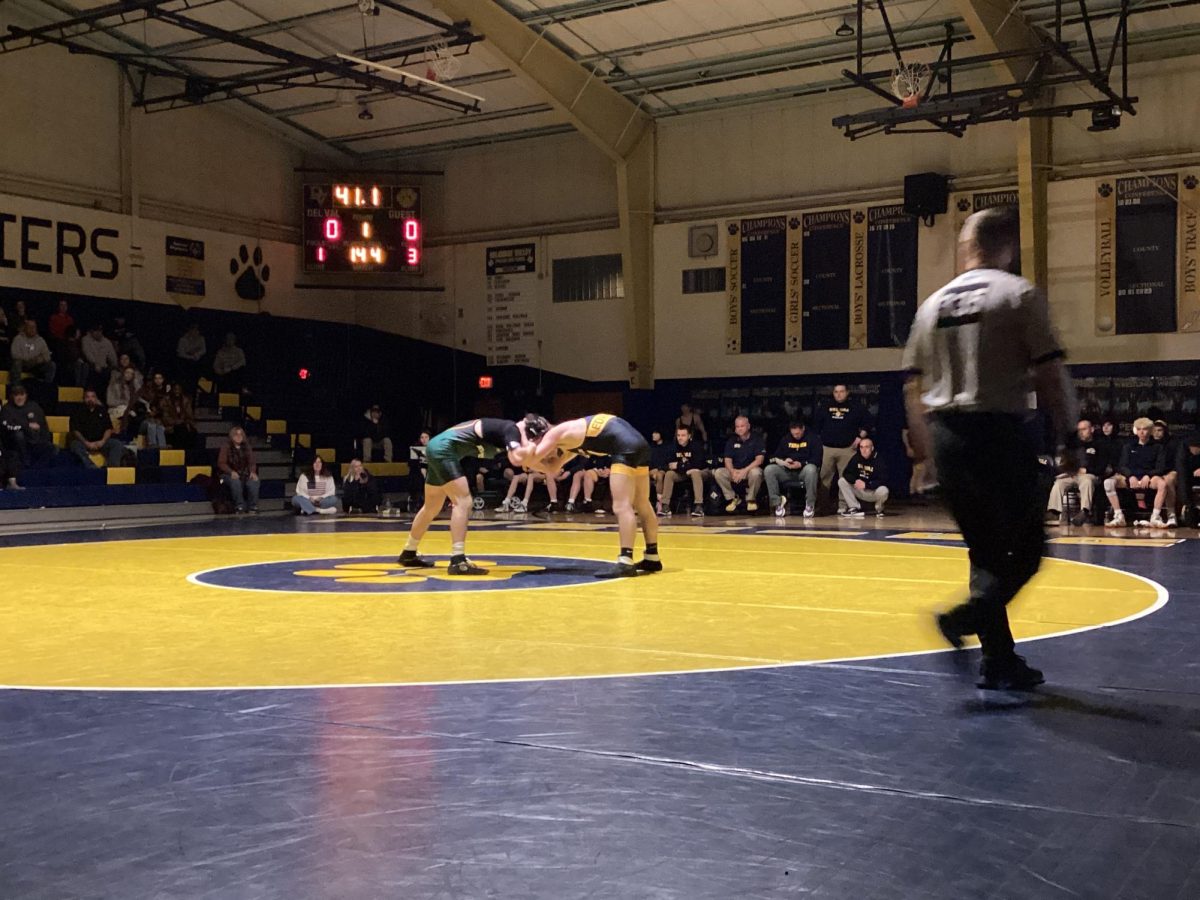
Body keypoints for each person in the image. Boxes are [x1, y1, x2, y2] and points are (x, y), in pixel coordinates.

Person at [904, 206, 1076, 692]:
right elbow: (1048, 372)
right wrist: (1069, 435)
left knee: (984, 553)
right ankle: (965, 619)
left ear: (967, 247)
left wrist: (925, 455)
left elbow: (912, 389)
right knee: (1026, 553)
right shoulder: (1017, 294)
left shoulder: (932, 304)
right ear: (1008, 247)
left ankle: (996, 658)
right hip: (999, 433)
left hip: (948, 437)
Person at [399, 415, 548, 575]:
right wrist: (549, 466)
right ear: (531, 434)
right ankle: (458, 559)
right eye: (538, 440)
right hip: (444, 450)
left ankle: (409, 551)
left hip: (439, 448)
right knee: (463, 502)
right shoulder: (512, 431)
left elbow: (524, 462)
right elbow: (520, 460)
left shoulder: (509, 434)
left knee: (432, 506)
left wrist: (547, 466)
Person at [528, 414, 660, 577]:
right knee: (641, 502)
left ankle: (626, 561)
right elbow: (553, 469)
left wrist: (515, 451)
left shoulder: (555, 433)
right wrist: (533, 462)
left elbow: (532, 456)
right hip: (639, 444)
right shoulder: (569, 440)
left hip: (625, 448)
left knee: (621, 505)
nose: (549, 455)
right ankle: (652, 556)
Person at [1102, 417, 1170, 528]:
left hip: (1149, 477)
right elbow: (1122, 466)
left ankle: (1155, 517)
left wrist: (1148, 475)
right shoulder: (1128, 446)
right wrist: (1130, 476)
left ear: (1151, 430)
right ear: (1135, 430)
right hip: (1130, 477)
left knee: (1163, 484)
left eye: (1144, 429)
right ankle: (1119, 516)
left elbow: (1160, 467)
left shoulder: (1158, 447)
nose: (1141, 432)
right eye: (1138, 429)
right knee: (1108, 483)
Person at [816, 385, 872, 512]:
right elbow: (816, 426)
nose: (838, 394)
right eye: (836, 392)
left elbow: (868, 424)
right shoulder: (825, 406)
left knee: (845, 479)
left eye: (841, 392)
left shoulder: (856, 407)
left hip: (847, 448)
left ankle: (843, 506)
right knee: (824, 477)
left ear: (847, 392)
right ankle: (822, 506)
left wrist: (859, 437)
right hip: (827, 448)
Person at [1047, 419, 1109, 526]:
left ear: (1092, 429)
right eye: (1079, 430)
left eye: (1084, 429)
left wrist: (1086, 470)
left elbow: (1102, 467)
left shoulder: (1100, 445)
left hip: (1090, 475)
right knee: (1059, 483)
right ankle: (1054, 512)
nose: (1081, 432)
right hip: (1073, 474)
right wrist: (1067, 470)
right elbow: (1066, 463)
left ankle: (1084, 511)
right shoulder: (1074, 446)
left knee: (1086, 481)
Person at [765, 420, 822, 518]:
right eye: (793, 434)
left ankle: (809, 505)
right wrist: (784, 461)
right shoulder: (786, 439)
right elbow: (776, 456)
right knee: (769, 469)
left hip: (803, 470)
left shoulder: (813, 439)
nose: (796, 436)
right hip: (787, 470)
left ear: (803, 429)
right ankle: (777, 503)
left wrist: (801, 464)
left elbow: (817, 459)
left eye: (798, 433)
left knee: (811, 469)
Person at [714, 416, 765, 513]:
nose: (740, 428)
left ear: (748, 426)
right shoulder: (731, 440)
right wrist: (732, 471)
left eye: (742, 426)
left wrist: (744, 471)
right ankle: (733, 498)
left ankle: (750, 500)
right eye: (737, 427)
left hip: (750, 470)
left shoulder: (757, 439)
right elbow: (727, 460)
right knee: (719, 472)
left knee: (756, 473)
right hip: (735, 471)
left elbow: (759, 460)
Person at [1, 384, 56, 469]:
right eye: (16, 395)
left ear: (26, 395)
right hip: (16, 444)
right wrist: (27, 425)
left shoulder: (34, 406)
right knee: (18, 435)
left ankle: (38, 468)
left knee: (53, 448)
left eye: (22, 394)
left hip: (34, 441)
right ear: (12, 396)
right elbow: (7, 427)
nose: (19, 398)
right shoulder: (6, 409)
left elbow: (42, 426)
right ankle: (24, 463)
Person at [659, 425, 710, 518]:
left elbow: (698, 464)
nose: (680, 438)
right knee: (669, 474)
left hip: (702, 471)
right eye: (678, 435)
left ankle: (699, 506)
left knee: (695, 473)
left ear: (689, 436)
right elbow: (668, 465)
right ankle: (665, 506)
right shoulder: (674, 446)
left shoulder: (696, 446)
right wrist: (685, 467)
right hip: (684, 473)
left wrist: (678, 465)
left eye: (683, 435)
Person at [69, 388, 126, 468]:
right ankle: (91, 467)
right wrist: (86, 443)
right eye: (87, 397)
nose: (90, 399)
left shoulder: (102, 410)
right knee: (75, 445)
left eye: (92, 397)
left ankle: (112, 468)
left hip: (100, 442)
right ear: (84, 399)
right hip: (84, 442)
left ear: (96, 399)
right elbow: (75, 431)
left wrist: (102, 441)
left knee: (116, 444)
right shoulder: (77, 411)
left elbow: (108, 429)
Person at [837, 436, 889, 517]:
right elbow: (846, 473)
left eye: (867, 447)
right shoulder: (856, 457)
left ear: (872, 448)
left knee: (884, 490)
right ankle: (854, 508)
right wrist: (855, 481)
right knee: (842, 481)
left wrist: (867, 484)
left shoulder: (879, 460)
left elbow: (883, 479)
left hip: (873, 491)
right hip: (860, 489)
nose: (864, 450)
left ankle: (879, 508)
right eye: (861, 447)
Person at [217, 425, 259, 513]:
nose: (239, 437)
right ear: (232, 436)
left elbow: (252, 462)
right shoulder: (226, 447)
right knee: (235, 481)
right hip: (227, 474)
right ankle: (239, 506)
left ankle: (253, 506)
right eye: (236, 434)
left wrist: (252, 472)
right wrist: (231, 472)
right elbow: (221, 463)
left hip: (244, 473)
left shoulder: (247, 447)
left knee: (254, 481)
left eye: (241, 435)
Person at [10, 319, 56, 384]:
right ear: (25, 328)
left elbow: (47, 356)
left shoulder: (40, 340)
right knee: (17, 363)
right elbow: (14, 354)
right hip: (22, 363)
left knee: (51, 365)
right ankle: (16, 386)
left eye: (34, 327)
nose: (32, 329)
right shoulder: (18, 338)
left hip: (35, 365)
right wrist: (27, 359)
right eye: (30, 327)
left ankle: (46, 387)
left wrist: (39, 359)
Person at [160, 382, 198, 450]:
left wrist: (187, 422)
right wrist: (176, 422)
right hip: (170, 425)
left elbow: (189, 415)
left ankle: (188, 454)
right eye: (175, 389)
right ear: (172, 390)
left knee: (193, 432)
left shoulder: (185, 400)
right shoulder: (165, 400)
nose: (177, 391)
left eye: (179, 389)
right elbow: (165, 416)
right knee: (180, 430)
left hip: (183, 424)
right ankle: (179, 452)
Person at [81, 323, 118, 391]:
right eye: (96, 331)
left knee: (113, 373)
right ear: (91, 331)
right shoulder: (85, 339)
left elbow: (112, 357)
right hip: (91, 365)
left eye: (100, 331)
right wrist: (95, 364)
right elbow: (87, 354)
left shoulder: (106, 342)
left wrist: (115, 366)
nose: (98, 333)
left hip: (103, 367)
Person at [175, 322, 207, 391]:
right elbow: (181, 353)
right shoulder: (183, 340)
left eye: (197, 330)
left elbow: (204, 350)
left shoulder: (201, 339)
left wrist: (197, 355)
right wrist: (191, 357)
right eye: (194, 330)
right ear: (190, 330)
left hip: (197, 363)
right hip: (185, 363)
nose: (196, 332)